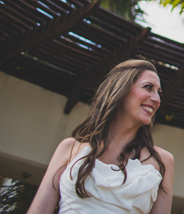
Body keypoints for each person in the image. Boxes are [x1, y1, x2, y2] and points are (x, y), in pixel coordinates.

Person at [28, 59, 175, 214]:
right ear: (121, 89)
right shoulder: (68, 149)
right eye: (148, 87)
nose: (156, 100)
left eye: (158, 93)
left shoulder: (162, 162)